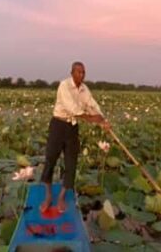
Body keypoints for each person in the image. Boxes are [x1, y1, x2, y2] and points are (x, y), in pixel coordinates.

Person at [39, 61, 110, 213]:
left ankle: (62, 197)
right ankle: (48, 195)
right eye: (78, 72)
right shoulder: (64, 86)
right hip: (58, 125)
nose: (81, 75)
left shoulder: (84, 89)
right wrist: (91, 119)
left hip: (72, 128)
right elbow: (72, 108)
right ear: (72, 73)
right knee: (50, 159)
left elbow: (92, 105)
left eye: (83, 72)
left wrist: (102, 119)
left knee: (71, 163)